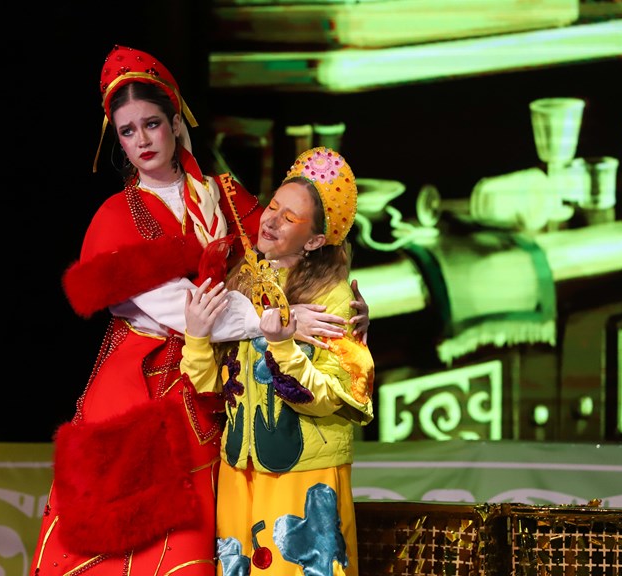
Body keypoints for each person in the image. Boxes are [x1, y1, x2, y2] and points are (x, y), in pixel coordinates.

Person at [30, 46, 369, 576]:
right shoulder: (118, 218)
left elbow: (289, 255)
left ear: (175, 122)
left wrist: (341, 304)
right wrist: (275, 323)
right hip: (145, 392)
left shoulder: (225, 197)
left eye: (151, 124)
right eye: (127, 131)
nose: (142, 141)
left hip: (224, 399)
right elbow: (186, 308)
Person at [181, 147, 374, 576]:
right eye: (272, 207)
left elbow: (335, 396)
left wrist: (283, 346)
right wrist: (196, 335)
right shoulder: (241, 282)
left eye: (289, 217)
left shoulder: (334, 299)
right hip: (239, 471)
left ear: (315, 241)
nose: (270, 221)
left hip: (304, 478)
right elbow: (211, 387)